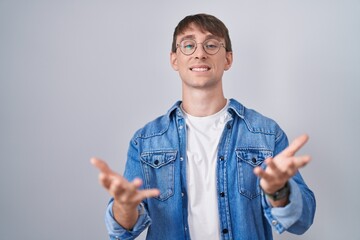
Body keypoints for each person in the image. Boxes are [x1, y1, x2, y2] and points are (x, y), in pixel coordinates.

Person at [91, 13, 316, 240]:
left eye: (211, 44)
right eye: (188, 45)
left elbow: (302, 221)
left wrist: (279, 191)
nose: (200, 53)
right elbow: (121, 233)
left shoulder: (266, 134)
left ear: (228, 59)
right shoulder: (146, 140)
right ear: (174, 59)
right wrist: (124, 206)